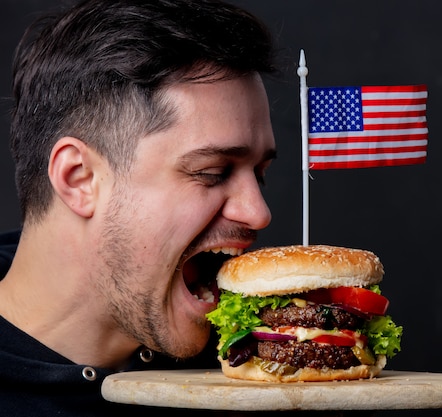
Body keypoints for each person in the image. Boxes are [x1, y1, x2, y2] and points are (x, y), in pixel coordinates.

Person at [0, 0, 278, 415]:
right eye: (212, 172)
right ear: (80, 178)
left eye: (259, 174)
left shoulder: (257, 365)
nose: (259, 213)